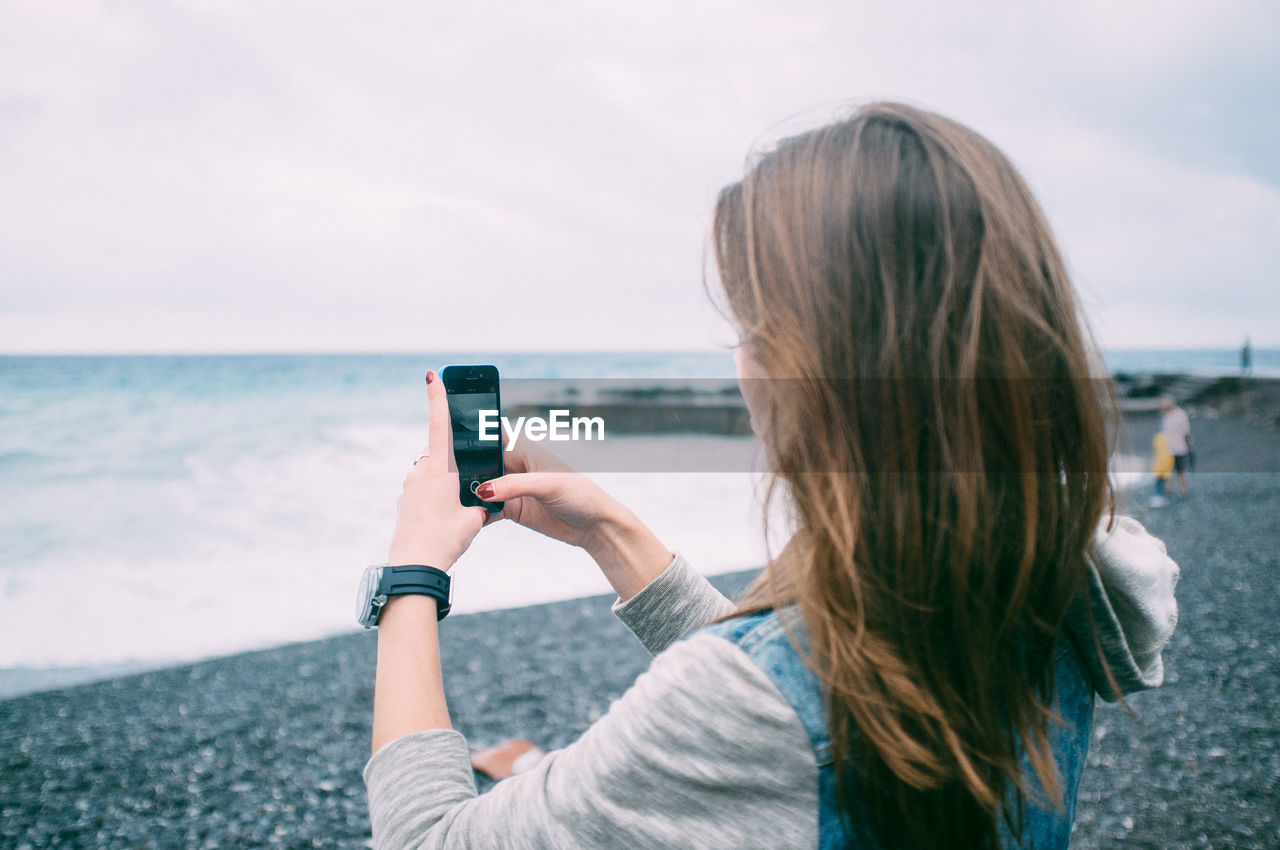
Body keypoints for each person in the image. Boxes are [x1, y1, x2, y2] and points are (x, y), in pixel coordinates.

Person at [362, 103, 1181, 849]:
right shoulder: (1053, 572)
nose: (742, 362)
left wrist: (413, 570)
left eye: (751, 328)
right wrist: (611, 532)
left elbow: (425, 838)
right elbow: (828, 705)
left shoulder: (742, 697)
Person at [1160, 395, 1193, 496]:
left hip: (1179, 448)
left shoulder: (1180, 414)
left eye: (1163, 406)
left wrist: (1189, 447)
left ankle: (1183, 490)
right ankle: (1168, 490)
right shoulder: (1167, 416)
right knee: (1167, 471)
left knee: (1180, 471)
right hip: (1168, 448)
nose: (1161, 408)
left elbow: (1186, 431)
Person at [1151, 430, 1174, 507]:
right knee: (1165, 481)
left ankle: (1160, 497)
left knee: (1158, 482)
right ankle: (1165, 497)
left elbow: (1154, 446)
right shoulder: (1170, 440)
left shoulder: (1158, 437)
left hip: (1159, 464)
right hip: (1167, 463)